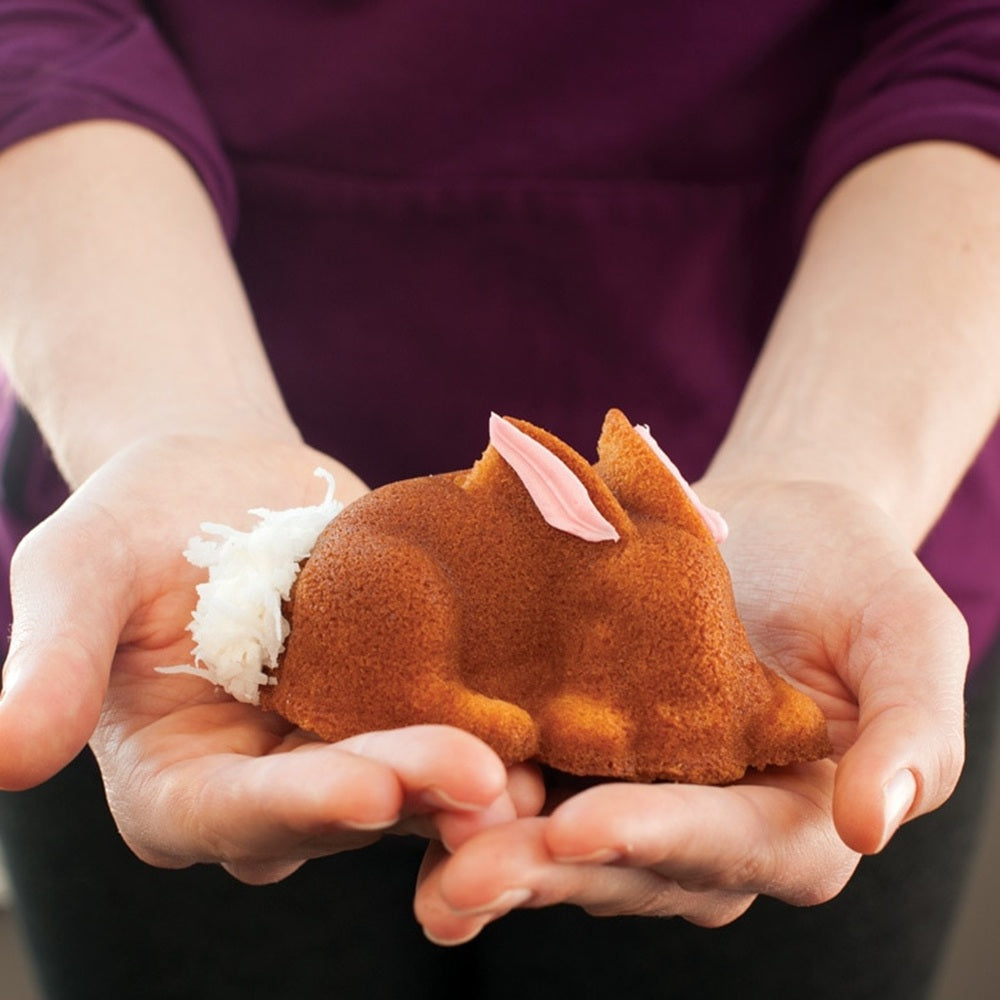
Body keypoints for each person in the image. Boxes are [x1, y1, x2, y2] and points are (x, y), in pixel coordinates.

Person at [0, 1, 998, 997]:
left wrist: (832, 468)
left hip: (869, 388)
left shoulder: (647, 584)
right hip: (153, 448)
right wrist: (164, 417)